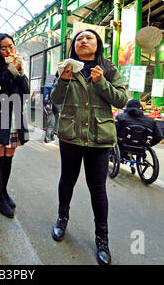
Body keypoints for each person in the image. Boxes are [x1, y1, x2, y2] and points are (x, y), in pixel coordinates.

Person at [50, 29, 128, 265]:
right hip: (71, 135)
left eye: (88, 38)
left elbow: (121, 100)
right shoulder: (66, 67)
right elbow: (55, 99)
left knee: (98, 189)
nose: (82, 41)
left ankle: (101, 238)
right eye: (78, 39)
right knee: (67, 180)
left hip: (98, 137)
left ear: (98, 43)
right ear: (74, 45)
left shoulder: (109, 68)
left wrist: (101, 82)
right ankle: (62, 218)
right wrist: (63, 80)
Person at [0, 33, 29, 219]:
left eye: (11, 46)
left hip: (15, 117)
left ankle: (4, 191)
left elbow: (25, 93)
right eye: (4, 48)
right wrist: (10, 69)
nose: (9, 50)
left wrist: (20, 73)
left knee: (9, 153)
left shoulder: (17, 67)